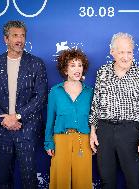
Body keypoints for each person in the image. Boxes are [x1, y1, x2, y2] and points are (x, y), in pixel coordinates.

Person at [0, 20, 48, 188]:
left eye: (23, 35)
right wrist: (4, 119)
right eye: (15, 35)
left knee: (29, 180)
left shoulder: (36, 64)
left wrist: (17, 117)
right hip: (1, 130)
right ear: (6, 39)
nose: (20, 40)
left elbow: (40, 97)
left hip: (26, 130)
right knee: (4, 179)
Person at [89, 32, 139, 189]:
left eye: (129, 52)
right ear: (112, 52)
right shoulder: (102, 72)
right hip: (104, 131)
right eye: (121, 52)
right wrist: (93, 131)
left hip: (130, 131)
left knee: (134, 181)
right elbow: (96, 103)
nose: (126, 57)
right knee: (107, 181)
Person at [44, 48, 93, 189]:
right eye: (72, 65)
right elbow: (50, 119)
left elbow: (94, 119)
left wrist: (94, 140)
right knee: (60, 182)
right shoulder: (55, 91)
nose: (77, 69)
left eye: (80, 65)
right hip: (60, 140)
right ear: (65, 70)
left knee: (83, 182)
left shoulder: (90, 92)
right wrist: (49, 142)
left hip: (83, 140)